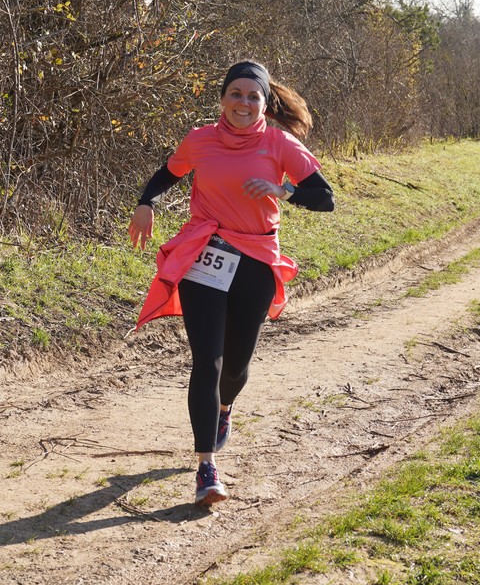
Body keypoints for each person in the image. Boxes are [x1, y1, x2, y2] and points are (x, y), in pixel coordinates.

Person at [128, 60, 335, 507]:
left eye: (252, 96)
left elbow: (325, 198)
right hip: (205, 254)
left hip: (256, 261)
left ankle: (224, 409)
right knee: (208, 361)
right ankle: (206, 468)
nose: (243, 103)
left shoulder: (280, 143)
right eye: (235, 94)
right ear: (222, 99)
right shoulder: (200, 140)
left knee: (236, 367)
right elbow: (167, 174)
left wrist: (284, 191)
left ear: (265, 102)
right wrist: (146, 202)